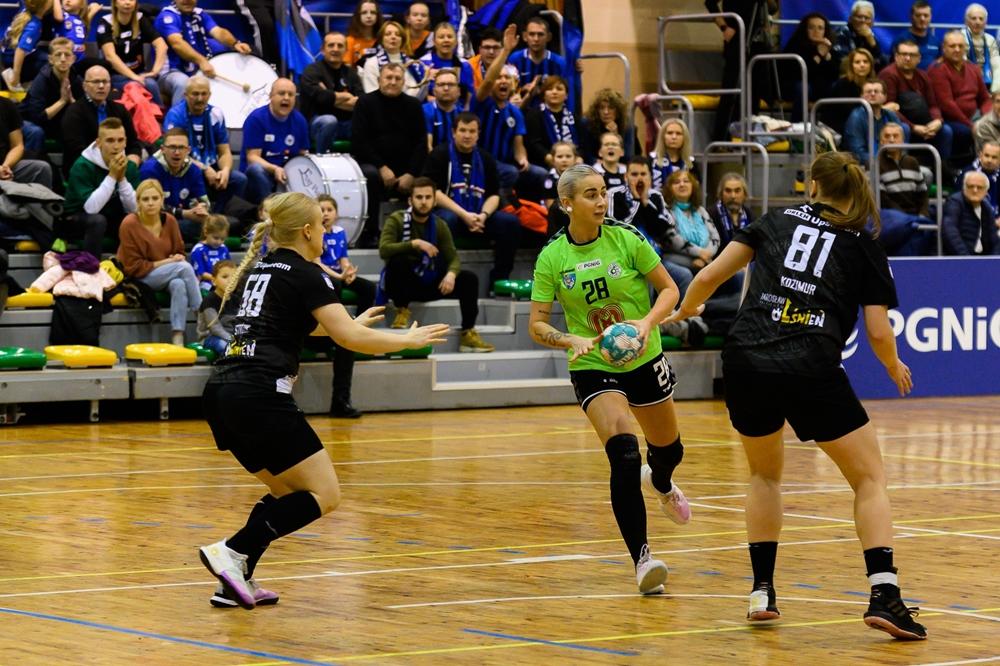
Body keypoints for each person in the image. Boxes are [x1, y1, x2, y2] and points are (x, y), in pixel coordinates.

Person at [662, 150, 927, 640]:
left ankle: (762, 591)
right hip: (809, 364)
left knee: (764, 475)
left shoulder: (775, 220)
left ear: (813, 186)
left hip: (746, 359)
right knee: (870, 478)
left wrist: (687, 309)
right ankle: (884, 595)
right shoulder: (863, 242)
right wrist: (893, 366)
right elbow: (878, 331)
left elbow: (709, 276)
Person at [197, 191, 449, 609]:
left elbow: (293, 324)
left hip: (224, 392)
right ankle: (233, 550)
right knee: (325, 494)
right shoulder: (307, 273)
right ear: (307, 231)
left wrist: (343, 323)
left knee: (288, 492)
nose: (327, 231)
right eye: (323, 225)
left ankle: (235, 578)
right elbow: (350, 340)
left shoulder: (261, 269)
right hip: (260, 396)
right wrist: (405, 339)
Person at [528, 164, 691, 595]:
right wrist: (570, 339)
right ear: (567, 204)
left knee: (669, 450)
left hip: (643, 356)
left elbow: (670, 290)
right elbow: (537, 324)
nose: (601, 201)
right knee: (624, 453)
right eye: (591, 195)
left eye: (603, 192)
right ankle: (643, 559)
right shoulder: (552, 257)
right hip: (593, 365)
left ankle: (661, 482)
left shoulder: (626, 237)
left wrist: (646, 323)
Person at [378, 177, 494, 351]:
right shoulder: (397, 219)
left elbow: (453, 257)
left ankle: (468, 333)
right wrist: (415, 244)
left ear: (434, 201)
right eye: (419, 197)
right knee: (398, 261)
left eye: (428, 197)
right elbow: (384, 250)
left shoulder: (439, 224)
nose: (423, 202)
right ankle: (401, 310)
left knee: (469, 279)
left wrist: (451, 274)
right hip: (403, 285)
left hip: (430, 281)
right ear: (410, 200)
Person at [422, 112, 521, 286]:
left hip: (478, 217)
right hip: (452, 214)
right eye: (462, 130)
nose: (467, 135)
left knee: (509, 222)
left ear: (478, 134)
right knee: (446, 220)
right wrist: (464, 215)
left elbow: (494, 195)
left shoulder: (486, 158)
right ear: (454, 132)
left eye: (472, 131)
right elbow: (433, 193)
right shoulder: (440, 154)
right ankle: (440, 277)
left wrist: (483, 215)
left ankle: (499, 279)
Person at [313, 194, 377, 417]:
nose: (325, 214)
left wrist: (348, 271)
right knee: (335, 286)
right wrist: (339, 277)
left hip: (337, 276)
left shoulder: (340, 233)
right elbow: (316, 264)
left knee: (368, 288)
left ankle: (359, 329)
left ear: (337, 213)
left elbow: (344, 260)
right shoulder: (312, 236)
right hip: (325, 280)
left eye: (329, 209)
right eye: (321, 210)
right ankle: (340, 325)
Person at [118, 178, 202, 345]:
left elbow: (179, 252)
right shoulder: (129, 224)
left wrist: (174, 260)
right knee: (184, 268)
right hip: (138, 278)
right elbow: (133, 267)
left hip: (168, 274)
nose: (150, 203)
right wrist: (167, 262)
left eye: (155, 198)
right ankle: (202, 317)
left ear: (162, 200)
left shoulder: (169, 220)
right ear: (138, 202)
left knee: (179, 284)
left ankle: (177, 336)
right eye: (145, 199)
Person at [351, 63, 427, 246]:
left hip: (405, 168)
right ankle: (370, 233)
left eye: (397, 78)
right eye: (388, 78)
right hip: (374, 165)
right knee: (370, 175)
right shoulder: (365, 103)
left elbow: (421, 144)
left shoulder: (414, 105)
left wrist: (411, 173)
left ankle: (422, 233)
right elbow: (360, 142)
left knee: (427, 179)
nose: (392, 82)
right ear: (379, 80)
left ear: (403, 82)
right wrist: (382, 167)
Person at [473, 24, 547, 198]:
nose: (503, 81)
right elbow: (488, 81)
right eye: (499, 78)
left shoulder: (515, 112)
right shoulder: (483, 102)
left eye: (507, 78)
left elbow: (518, 145)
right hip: (481, 162)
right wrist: (505, 50)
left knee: (542, 174)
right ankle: (502, 204)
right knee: (510, 172)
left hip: (507, 163)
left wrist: (523, 159)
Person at [162, 76, 247, 213]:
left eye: (204, 94)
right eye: (195, 94)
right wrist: (205, 169)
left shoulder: (216, 114)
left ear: (209, 95)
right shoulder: (176, 115)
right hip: (184, 166)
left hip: (211, 164)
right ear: (186, 95)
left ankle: (221, 216)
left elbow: (224, 151)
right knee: (196, 175)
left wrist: (225, 171)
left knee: (239, 180)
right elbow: (175, 152)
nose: (200, 98)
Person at [61, 118, 140, 256]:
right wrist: (112, 176)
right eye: (110, 140)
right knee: (98, 221)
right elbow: (91, 209)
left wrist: (122, 179)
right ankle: (91, 266)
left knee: (133, 220)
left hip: (110, 216)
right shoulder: (82, 166)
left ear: (126, 142)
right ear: (99, 143)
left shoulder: (130, 167)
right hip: (76, 219)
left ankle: (127, 266)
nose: (116, 146)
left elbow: (134, 209)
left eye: (120, 140)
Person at [154, 0, 253, 106]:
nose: (187, 1)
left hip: (198, 70)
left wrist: (235, 43)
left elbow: (218, 31)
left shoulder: (199, 14)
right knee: (183, 83)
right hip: (170, 73)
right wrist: (201, 61)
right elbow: (177, 43)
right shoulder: (167, 17)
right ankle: (178, 116)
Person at [706, 0, 778, 142]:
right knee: (731, 92)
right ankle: (722, 139)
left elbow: (772, 8)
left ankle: (749, 137)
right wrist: (724, 27)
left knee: (754, 93)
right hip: (736, 37)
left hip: (758, 42)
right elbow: (710, 3)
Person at [61, 64, 142, 178]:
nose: (101, 86)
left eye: (105, 82)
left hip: (119, 168)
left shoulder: (120, 110)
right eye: (96, 82)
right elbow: (75, 150)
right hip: (86, 171)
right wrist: (108, 168)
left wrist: (133, 159)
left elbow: (133, 143)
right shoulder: (74, 112)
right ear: (84, 86)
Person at [880, 39, 953, 162]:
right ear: (896, 57)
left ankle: (942, 169)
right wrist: (913, 127)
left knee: (946, 131)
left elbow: (933, 105)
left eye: (912, 55)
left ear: (919, 58)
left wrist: (937, 120)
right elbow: (890, 109)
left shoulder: (923, 75)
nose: (908, 58)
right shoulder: (888, 75)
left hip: (923, 123)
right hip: (900, 123)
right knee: (904, 129)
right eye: (904, 54)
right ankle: (903, 165)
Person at [239, 78, 310, 205]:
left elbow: (302, 154)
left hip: (286, 174)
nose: (286, 98)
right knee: (255, 169)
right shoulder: (256, 119)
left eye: (291, 94)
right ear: (271, 96)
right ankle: (271, 209)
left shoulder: (299, 120)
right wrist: (275, 169)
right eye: (282, 93)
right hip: (263, 174)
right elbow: (252, 158)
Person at [929, 30, 993, 159]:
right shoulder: (938, 70)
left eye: (960, 46)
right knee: (967, 131)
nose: (957, 49)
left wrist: (988, 117)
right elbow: (947, 105)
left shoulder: (973, 68)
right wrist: (971, 125)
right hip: (949, 119)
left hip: (975, 116)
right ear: (944, 48)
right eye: (952, 46)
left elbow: (985, 98)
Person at [140, 127, 210, 241]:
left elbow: (203, 201)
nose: (177, 152)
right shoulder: (149, 170)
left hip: (184, 221)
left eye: (181, 147)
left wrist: (201, 209)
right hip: (156, 221)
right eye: (172, 147)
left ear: (188, 150)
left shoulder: (194, 170)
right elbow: (148, 207)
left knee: (217, 224)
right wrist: (184, 213)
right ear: (163, 149)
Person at [301, 31, 363, 154]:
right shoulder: (311, 71)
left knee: (366, 122)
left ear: (346, 50)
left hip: (345, 124)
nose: (335, 49)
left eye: (340, 46)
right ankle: (322, 159)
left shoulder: (351, 73)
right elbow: (319, 98)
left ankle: (359, 162)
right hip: (317, 123)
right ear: (323, 50)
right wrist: (346, 96)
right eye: (331, 45)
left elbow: (361, 102)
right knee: (329, 120)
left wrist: (329, 96)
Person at [96, 0, 167, 105]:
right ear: (115, 3)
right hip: (116, 76)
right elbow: (110, 56)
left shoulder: (140, 19)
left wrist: (155, 71)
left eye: (131, 0)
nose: (127, 3)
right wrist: (134, 77)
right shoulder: (106, 22)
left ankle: (159, 112)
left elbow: (162, 45)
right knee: (139, 86)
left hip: (139, 73)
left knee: (151, 84)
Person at [19, 38, 82, 150]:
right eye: (58, 55)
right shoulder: (42, 80)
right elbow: (37, 117)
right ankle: (32, 160)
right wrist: (62, 101)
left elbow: (84, 113)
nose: (63, 59)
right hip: (27, 120)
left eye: (67, 55)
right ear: (50, 59)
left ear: (73, 59)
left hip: (55, 122)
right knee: (36, 132)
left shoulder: (76, 79)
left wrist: (72, 101)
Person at [781, 12, 840, 122]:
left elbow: (834, 74)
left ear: (825, 31)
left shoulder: (829, 47)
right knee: (803, 87)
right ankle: (798, 125)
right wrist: (819, 56)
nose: (816, 31)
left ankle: (829, 125)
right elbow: (799, 74)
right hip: (796, 86)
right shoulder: (795, 45)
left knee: (836, 86)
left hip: (819, 87)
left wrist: (827, 57)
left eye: (820, 28)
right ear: (805, 29)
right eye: (811, 27)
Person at [662, 170, 719, 276]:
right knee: (687, 274)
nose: (682, 184)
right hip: (676, 257)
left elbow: (715, 238)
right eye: (677, 182)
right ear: (669, 188)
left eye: (686, 181)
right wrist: (699, 253)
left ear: (693, 186)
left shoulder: (700, 210)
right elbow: (672, 239)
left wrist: (705, 255)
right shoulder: (666, 211)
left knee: (735, 274)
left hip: (704, 258)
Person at [507, 17, 569, 107]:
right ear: (525, 36)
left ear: (548, 37)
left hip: (549, 112)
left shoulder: (559, 62)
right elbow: (508, 91)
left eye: (540, 34)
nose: (536, 39)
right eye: (532, 34)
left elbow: (566, 93)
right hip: (522, 111)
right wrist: (523, 90)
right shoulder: (515, 59)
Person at [843, 79, 908, 165]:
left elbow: (901, 145)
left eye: (876, 91)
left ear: (885, 97)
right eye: (868, 92)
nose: (873, 94)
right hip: (866, 166)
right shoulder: (856, 117)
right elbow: (858, 153)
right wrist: (882, 164)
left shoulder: (890, 115)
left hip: (891, 162)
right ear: (861, 96)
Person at [358, 20, 427, 99]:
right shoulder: (371, 64)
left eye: (397, 35)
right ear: (381, 39)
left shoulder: (412, 64)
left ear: (402, 40)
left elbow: (416, 90)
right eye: (388, 34)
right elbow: (371, 93)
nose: (393, 37)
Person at [0, 94, 53, 190]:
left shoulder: (6, 105)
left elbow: (17, 145)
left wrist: (5, 166)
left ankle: (44, 199)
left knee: (41, 168)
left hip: (5, 165)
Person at [524, 75, 579, 168]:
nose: (554, 92)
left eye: (559, 89)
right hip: (543, 161)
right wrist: (549, 158)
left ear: (566, 95)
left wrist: (579, 157)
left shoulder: (573, 117)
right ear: (544, 94)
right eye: (549, 89)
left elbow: (582, 145)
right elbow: (534, 144)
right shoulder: (534, 115)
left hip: (571, 161)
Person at [1, 0, 55, 92]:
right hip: (11, 61)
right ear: (44, 6)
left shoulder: (26, 8)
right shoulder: (34, 26)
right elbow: (20, 50)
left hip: (5, 55)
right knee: (48, 61)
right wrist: (15, 77)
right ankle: (21, 81)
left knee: (41, 53)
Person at [942, 170, 1000, 255]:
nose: (975, 190)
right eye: (970, 186)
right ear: (964, 188)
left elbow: (994, 239)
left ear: (986, 191)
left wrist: (993, 259)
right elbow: (950, 233)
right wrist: (967, 258)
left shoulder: (986, 206)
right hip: (958, 258)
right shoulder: (954, 202)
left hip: (981, 258)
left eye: (979, 187)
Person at [821, 47, 875, 136]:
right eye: (857, 62)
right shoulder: (842, 84)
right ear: (851, 66)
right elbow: (852, 113)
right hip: (840, 126)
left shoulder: (874, 83)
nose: (862, 65)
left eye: (865, 62)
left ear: (871, 65)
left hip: (863, 123)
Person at [580, 88, 638, 164]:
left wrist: (616, 137)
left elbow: (628, 157)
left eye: (611, 108)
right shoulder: (587, 123)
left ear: (618, 110)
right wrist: (596, 162)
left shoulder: (626, 125)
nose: (606, 112)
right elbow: (584, 153)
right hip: (594, 166)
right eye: (601, 108)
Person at [418, 22, 474, 100]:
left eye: (450, 37)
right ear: (434, 41)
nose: (446, 40)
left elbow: (469, 95)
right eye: (441, 37)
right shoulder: (423, 63)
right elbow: (417, 95)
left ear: (456, 41)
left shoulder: (465, 65)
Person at [832, 1, 887, 71]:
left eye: (867, 18)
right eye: (859, 17)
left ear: (872, 23)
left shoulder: (869, 36)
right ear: (850, 19)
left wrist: (871, 41)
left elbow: (880, 63)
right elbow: (843, 63)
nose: (863, 21)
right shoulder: (841, 33)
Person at [197, 258, 235, 357]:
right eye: (225, 277)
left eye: (234, 277)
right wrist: (233, 340)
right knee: (225, 346)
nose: (230, 280)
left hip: (232, 337)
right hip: (211, 338)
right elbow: (215, 328)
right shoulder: (209, 300)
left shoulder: (237, 298)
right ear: (214, 281)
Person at [707, 172, 754, 252]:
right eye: (728, 191)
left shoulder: (750, 215)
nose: (733, 196)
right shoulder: (709, 215)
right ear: (721, 194)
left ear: (744, 194)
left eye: (737, 191)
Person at [962, 3, 1000, 93]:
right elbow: (961, 62)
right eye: (974, 18)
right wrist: (975, 70)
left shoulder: (990, 39)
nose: (978, 22)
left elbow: (997, 64)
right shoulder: (960, 37)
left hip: (987, 81)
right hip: (966, 81)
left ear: (985, 22)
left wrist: (996, 90)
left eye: (981, 19)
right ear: (966, 21)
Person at [891, 1, 938, 71]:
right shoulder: (900, 40)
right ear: (911, 17)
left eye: (926, 15)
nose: (922, 19)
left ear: (930, 17)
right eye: (918, 15)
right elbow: (893, 66)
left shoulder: (936, 41)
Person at [190, 214, 232, 292]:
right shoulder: (199, 250)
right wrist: (217, 280)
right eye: (215, 238)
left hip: (222, 282)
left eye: (222, 239)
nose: (219, 242)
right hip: (205, 284)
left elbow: (229, 268)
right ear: (206, 232)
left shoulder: (223, 248)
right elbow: (201, 273)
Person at [958, 140, 1000, 217]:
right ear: (980, 155)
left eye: (994, 157)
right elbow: (958, 200)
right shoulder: (967, 173)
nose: (989, 160)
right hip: (970, 217)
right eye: (986, 155)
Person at [423, 69, 462, 152]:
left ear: (458, 91)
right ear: (434, 91)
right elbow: (427, 146)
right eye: (441, 85)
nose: (446, 88)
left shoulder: (462, 114)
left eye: (451, 84)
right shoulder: (424, 111)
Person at [650, 118, 693, 191]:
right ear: (663, 136)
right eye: (670, 133)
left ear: (684, 138)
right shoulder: (651, 160)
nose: (674, 137)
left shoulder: (691, 163)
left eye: (678, 133)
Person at [345, 0, 382, 66]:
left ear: (377, 16)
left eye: (373, 12)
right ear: (358, 16)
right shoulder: (350, 40)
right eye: (364, 12)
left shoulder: (383, 39)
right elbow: (347, 67)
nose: (369, 16)